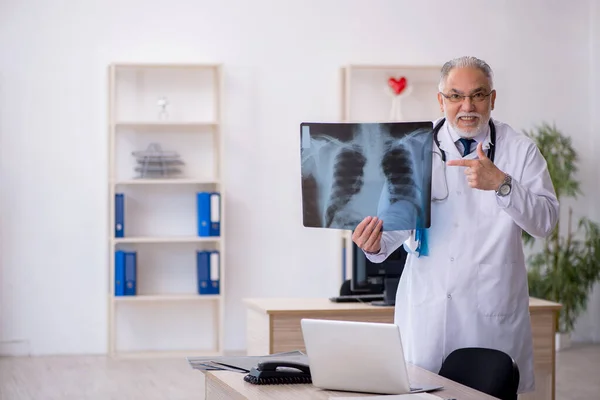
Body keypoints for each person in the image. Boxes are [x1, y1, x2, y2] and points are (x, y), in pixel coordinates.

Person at [351, 56, 559, 394]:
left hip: (490, 313)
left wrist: (503, 184)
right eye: (455, 96)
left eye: (478, 95)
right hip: (427, 312)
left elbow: (546, 221)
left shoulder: (520, 152)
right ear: (440, 100)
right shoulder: (411, 149)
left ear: (492, 98)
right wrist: (375, 244)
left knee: (488, 391)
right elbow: (394, 227)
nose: (467, 106)